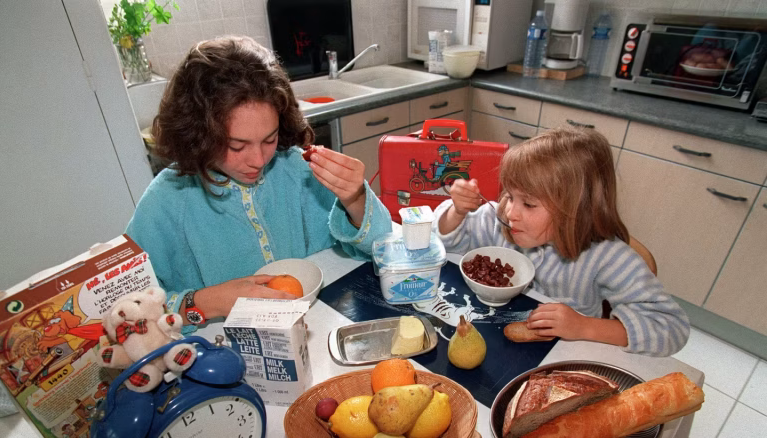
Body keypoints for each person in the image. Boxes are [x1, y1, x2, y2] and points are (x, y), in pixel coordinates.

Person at [127, 36, 392, 327]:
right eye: (236, 146)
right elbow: (127, 313)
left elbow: (383, 246)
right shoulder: (166, 200)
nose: (258, 160)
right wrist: (205, 302)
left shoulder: (295, 168)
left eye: (269, 139)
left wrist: (356, 199)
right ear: (198, 135)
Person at [435, 127, 689, 357]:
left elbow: (671, 328)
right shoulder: (500, 219)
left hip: (567, 356)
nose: (511, 212)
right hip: (494, 344)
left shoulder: (607, 256)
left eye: (529, 204)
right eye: (510, 196)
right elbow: (447, 243)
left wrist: (584, 326)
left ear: (576, 210)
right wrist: (457, 211)